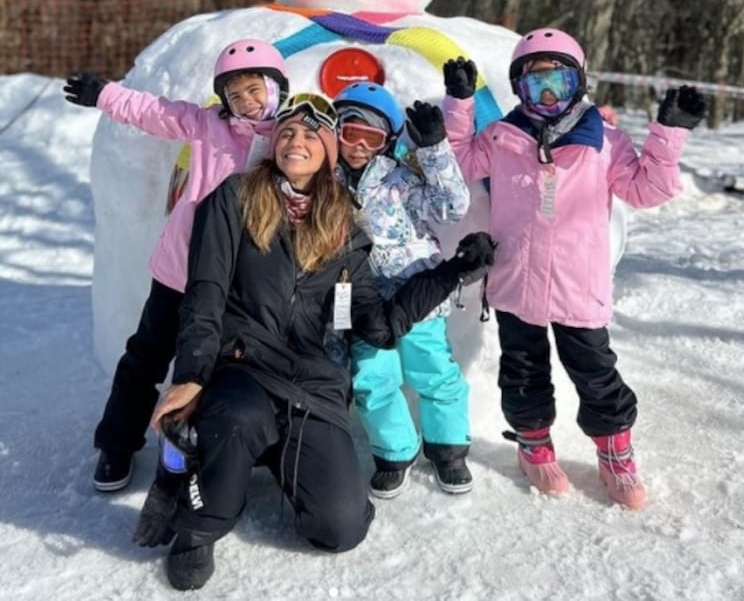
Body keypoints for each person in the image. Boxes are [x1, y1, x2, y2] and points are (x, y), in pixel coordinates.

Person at [147, 93, 495, 591]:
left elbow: (378, 324)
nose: (297, 140)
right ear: (273, 146)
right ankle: (200, 519)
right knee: (237, 420)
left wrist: (453, 272)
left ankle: (260, 455)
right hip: (243, 367)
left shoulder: (345, 227)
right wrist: (190, 376)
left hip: (311, 384)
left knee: (340, 528)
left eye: (312, 135)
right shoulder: (235, 196)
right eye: (287, 132)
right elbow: (205, 292)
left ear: (329, 152)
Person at [441, 27, 706, 509]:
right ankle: (534, 444)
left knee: (595, 370)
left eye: (557, 83)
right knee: (522, 369)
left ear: (578, 83)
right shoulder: (502, 135)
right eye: (532, 84)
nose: (545, 95)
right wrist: (458, 105)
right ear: (518, 88)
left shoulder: (604, 140)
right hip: (516, 280)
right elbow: (457, 163)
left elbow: (648, 190)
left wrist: (668, 135)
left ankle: (614, 450)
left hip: (577, 284)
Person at [63, 39, 289, 492]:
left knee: (225, 367)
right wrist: (105, 95)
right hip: (181, 268)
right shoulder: (209, 126)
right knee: (147, 353)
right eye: (235, 94)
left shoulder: (289, 137)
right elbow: (156, 111)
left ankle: (217, 450)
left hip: (239, 281)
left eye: (254, 88)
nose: (246, 101)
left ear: (275, 86)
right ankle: (118, 442)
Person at [333, 82, 473, 498]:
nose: (358, 146)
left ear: (387, 141)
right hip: (363, 302)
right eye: (349, 133)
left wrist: (435, 150)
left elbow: (453, 208)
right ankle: (395, 451)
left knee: (432, 370)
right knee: (372, 378)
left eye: (371, 137)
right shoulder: (327, 184)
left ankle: (448, 449)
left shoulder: (401, 181)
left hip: (418, 299)